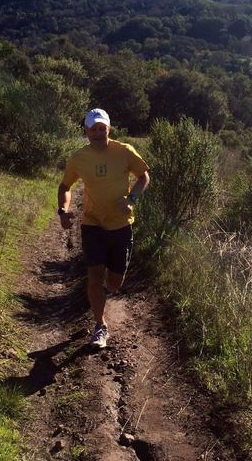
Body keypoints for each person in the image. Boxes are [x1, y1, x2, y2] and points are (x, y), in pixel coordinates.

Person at [57, 109, 150, 349]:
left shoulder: (124, 151)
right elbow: (65, 185)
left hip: (120, 226)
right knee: (95, 277)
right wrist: (63, 210)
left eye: (102, 128)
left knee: (115, 283)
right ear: (86, 131)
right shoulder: (79, 158)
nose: (98, 133)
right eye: (93, 129)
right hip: (92, 224)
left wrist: (132, 199)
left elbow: (144, 176)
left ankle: (106, 293)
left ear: (108, 129)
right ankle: (100, 326)